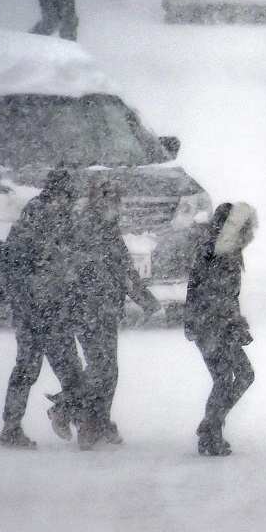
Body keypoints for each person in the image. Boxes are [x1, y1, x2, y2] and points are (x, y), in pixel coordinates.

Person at [0, 168, 86, 448]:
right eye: (64, 197)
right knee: (44, 368)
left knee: (55, 368)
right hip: (38, 308)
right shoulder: (39, 219)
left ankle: (58, 416)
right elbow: (25, 266)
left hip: (47, 307)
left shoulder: (57, 218)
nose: (67, 203)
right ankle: (25, 424)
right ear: (55, 195)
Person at [73, 181, 161, 451]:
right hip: (87, 310)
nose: (118, 209)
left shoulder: (107, 230)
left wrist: (147, 302)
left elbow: (124, 270)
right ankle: (84, 420)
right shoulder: (85, 229)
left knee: (107, 369)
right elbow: (78, 271)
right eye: (114, 203)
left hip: (105, 310)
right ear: (101, 203)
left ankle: (98, 420)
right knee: (101, 368)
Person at [184, 202, 259, 457]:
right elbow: (214, 294)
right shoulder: (217, 252)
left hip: (213, 324)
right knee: (232, 377)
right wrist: (233, 322)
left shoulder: (220, 248)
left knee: (231, 378)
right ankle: (211, 430)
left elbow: (219, 294)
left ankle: (211, 426)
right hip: (213, 325)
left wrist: (234, 321)